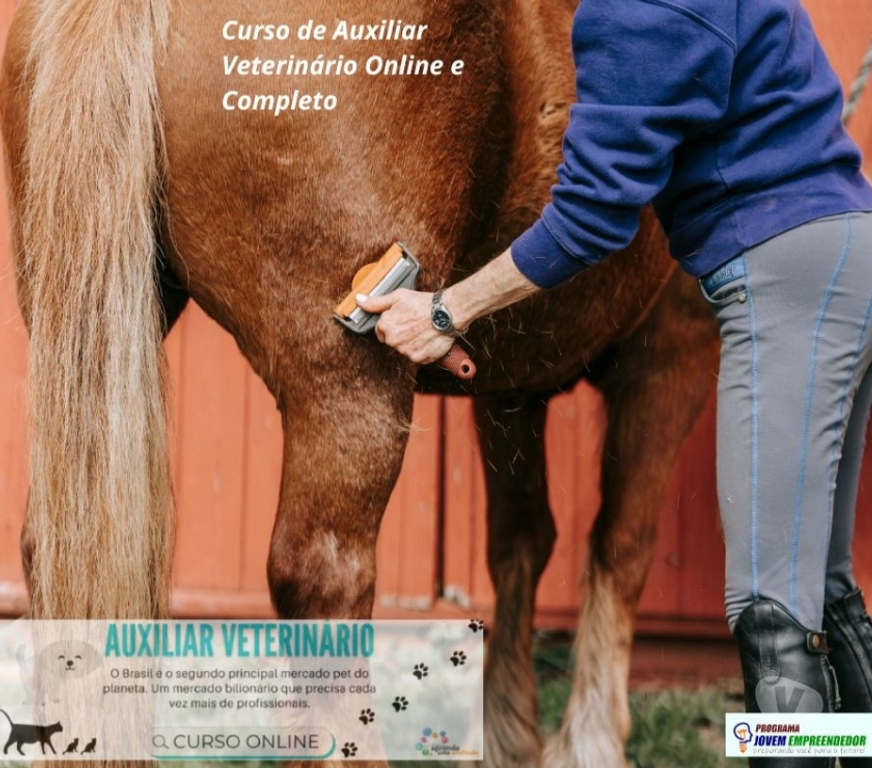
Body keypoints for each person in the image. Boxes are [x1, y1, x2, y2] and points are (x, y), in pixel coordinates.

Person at [356, 1, 872, 765]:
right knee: (823, 592)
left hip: (782, 281)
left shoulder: (637, 10)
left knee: (770, 612)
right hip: (839, 261)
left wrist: (446, 309)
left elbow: (591, 215)